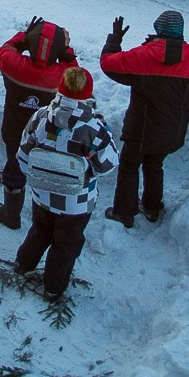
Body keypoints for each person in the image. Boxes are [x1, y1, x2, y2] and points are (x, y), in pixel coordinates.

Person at [13, 67, 119, 301]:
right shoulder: (94, 129)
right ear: (88, 93)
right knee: (66, 244)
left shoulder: (41, 116)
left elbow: (24, 152)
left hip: (42, 193)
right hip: (76, 203)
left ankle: (23, 264)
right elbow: (109, 164)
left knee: (40, 230)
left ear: (60, 88)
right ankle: (53, 287)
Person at [101, 11, 189, 228]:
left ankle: (124, 212)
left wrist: (114, 41)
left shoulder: (142, 56)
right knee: (155, 164)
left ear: (158, 29)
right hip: (171, 133)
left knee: (130, 166)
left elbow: (108, 64)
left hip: (139, 130)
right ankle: (152, 208)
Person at [0, 18, 78, 229]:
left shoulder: (14, 66)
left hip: (15, 133)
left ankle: (11, 215)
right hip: (48, 137)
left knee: (14, 168)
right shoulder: (63, 76)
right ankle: (44, 222)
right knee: (48, 176)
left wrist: (23, 37)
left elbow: (4, 50)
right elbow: (77, 75)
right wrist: (67, 52)